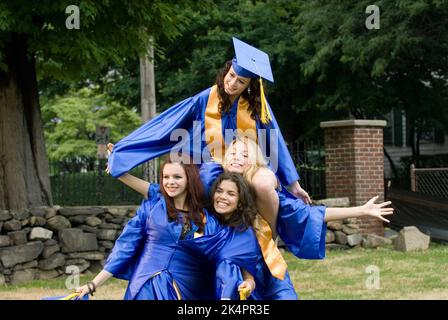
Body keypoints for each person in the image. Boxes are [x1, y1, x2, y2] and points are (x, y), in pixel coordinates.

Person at [106, 37, 312, 237]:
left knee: (264, 185)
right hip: (212, 161)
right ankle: (203, 233)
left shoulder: (258, 106)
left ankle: (270, 236)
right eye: (230, 76)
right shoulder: (204, 99)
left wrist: (293, 184)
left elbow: (273, 140)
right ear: (226, 71)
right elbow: (165, 126)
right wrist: (124, 150)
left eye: (240, 81)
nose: (232, 83)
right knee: (203, 182)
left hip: (246, 162)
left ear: (248, 85)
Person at [200, 137, 394, 299]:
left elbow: (311, 214)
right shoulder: (213, 187)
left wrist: (361, 210)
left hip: (266, 262)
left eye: (244, 155)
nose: (237, 158)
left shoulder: (263, 188)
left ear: (253, 162)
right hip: (232, 268)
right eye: (233, 153)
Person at [75, 155, 258, 300]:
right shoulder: (153, 207)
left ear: (190, 179)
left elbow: (230, 261)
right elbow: (124, 249)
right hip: (148, 285)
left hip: (188, 290)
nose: (170, 182)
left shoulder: (209, 220)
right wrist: (93, 284)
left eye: (177, 177)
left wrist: (247, 284)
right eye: (166, 177)